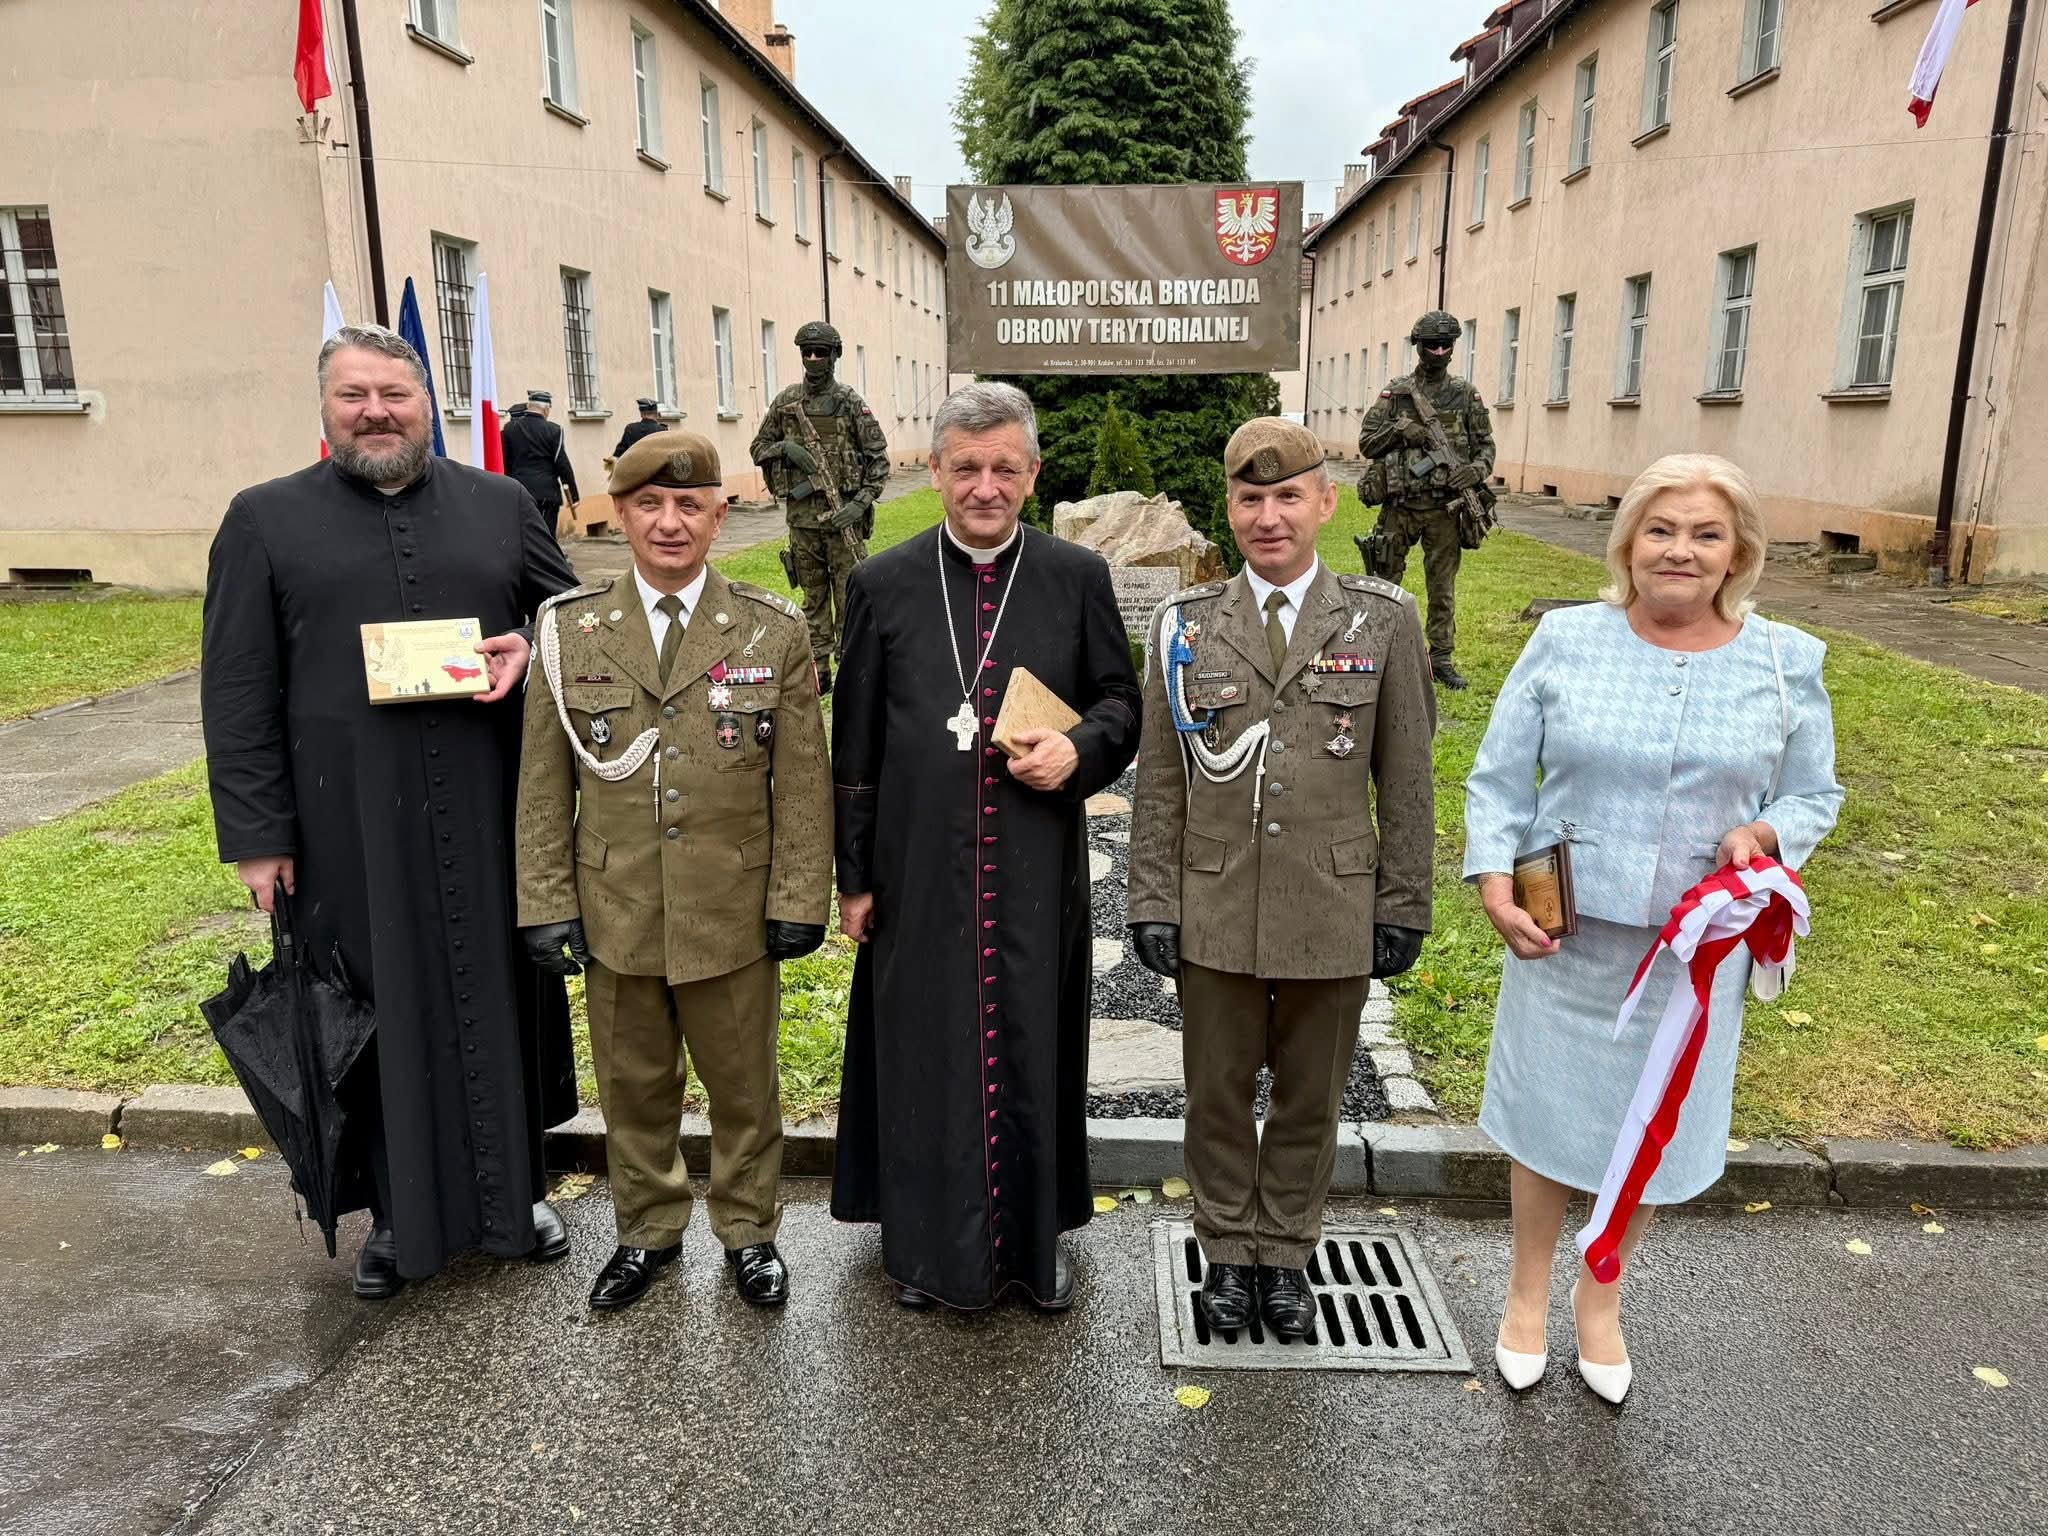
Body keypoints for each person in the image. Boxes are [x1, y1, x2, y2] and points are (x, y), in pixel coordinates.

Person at [201, 324, 579, 1299]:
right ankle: (390, 1215)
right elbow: (236, 687)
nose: (375, 411)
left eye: (393, 394)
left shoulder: (498, 504)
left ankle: (516, 1193)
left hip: (490, 807)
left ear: (427, 403)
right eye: (352, 396)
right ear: (325, 409)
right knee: (369, 1013)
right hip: (346, 828)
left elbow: (574, 621)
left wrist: (531, 654)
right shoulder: (263, 519)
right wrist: (256, 839)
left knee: (500, 994)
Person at [1464, 453, 1842, 1402]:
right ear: (1628, 543)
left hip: (1692, 953)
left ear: (1737, 554)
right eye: (1661, 530)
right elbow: (1501, 780)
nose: (1680, 550)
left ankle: (1602, 1302)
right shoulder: (1564, 641)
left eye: (1706, 534)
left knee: (1655, 1131)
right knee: (1549, 1115)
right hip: (1568, 933)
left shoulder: (1786, 663)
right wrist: (1493, 882)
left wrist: (1766, 832)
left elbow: (1814, 793)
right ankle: (1525, 1295)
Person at [829, 381, 1142, 1312]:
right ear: (934, 471)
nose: (985, 486)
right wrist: (853, 875)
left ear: (1033, 474)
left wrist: (1079, 750)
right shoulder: (882, 583)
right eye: (966, 467)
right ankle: (927, 1251)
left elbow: (1120, 705)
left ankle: (1033, 1248)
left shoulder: (1074, 576)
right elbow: (854, 749)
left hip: (1035, 864)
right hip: (919, 866)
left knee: (1031, 1041)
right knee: (924, 1046)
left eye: (1006, 467)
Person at [1126, 418, 1437, 1339]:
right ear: (1229, 508)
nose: (1269, 518)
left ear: (1324, 502)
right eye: (1251, 499)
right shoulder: (1186, 624)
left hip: (1330, 900)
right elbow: (1159, 774)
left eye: (1287, 497)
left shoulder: (1380, 620)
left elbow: (1407, 776)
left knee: (1310, 1094)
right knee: (1216, 1092)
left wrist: (1403, 904)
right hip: (1215, 898)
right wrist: (1153, 897)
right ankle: (1228, 1250)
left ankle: (1288, 1254)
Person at [516, 429, 832, 1312]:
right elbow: (543, 783)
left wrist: (800, 895)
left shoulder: (771, 628)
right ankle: (646, 1230)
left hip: (730, 908)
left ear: (718, 514)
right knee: (634, 1085)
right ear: (618, 514)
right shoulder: (568, 631)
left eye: (688, 505)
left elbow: (801, 779)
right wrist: (545, 902)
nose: (668, 522)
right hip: (615, 904)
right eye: (648, 504)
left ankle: (749, 1232)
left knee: (743, 1087)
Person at [1357, 309, 1496, 690]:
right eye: (1431, 344)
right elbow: (1367, 442)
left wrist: (1476, 471)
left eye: (1445, 344)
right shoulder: (1397, 393)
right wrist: (1401, 431)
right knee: (1384, 579)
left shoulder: (1466, 395)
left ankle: (1440, 659)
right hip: (1399, 506)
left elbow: (1486, 448)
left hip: (1443, 508)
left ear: (1452, 348)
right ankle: (1379, 651)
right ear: (1417, 346)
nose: (1438, 351)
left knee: (1441, 586)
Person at [748, 320, 889, 694]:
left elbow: (878, 462)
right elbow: (758, 447)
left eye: (821, 353)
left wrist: (857, 506)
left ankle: (852, 664)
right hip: (803, 522)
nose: (813, 359)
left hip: (844, 523)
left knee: (850, 596)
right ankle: (818, 668)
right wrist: (786, 449)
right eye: (807, 352)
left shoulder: (850, 403)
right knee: (812, 597)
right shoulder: (786, 403)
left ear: (834, 356)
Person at [502, 388, 581, 528]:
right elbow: (562, 464)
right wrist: (574, 496)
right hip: (547, 494)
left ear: (529, 406)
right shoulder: (554, 430)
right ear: (545, 409)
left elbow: (506, 463)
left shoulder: (509, 429)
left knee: (525, 536)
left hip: (519, 492)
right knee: (547, 537)